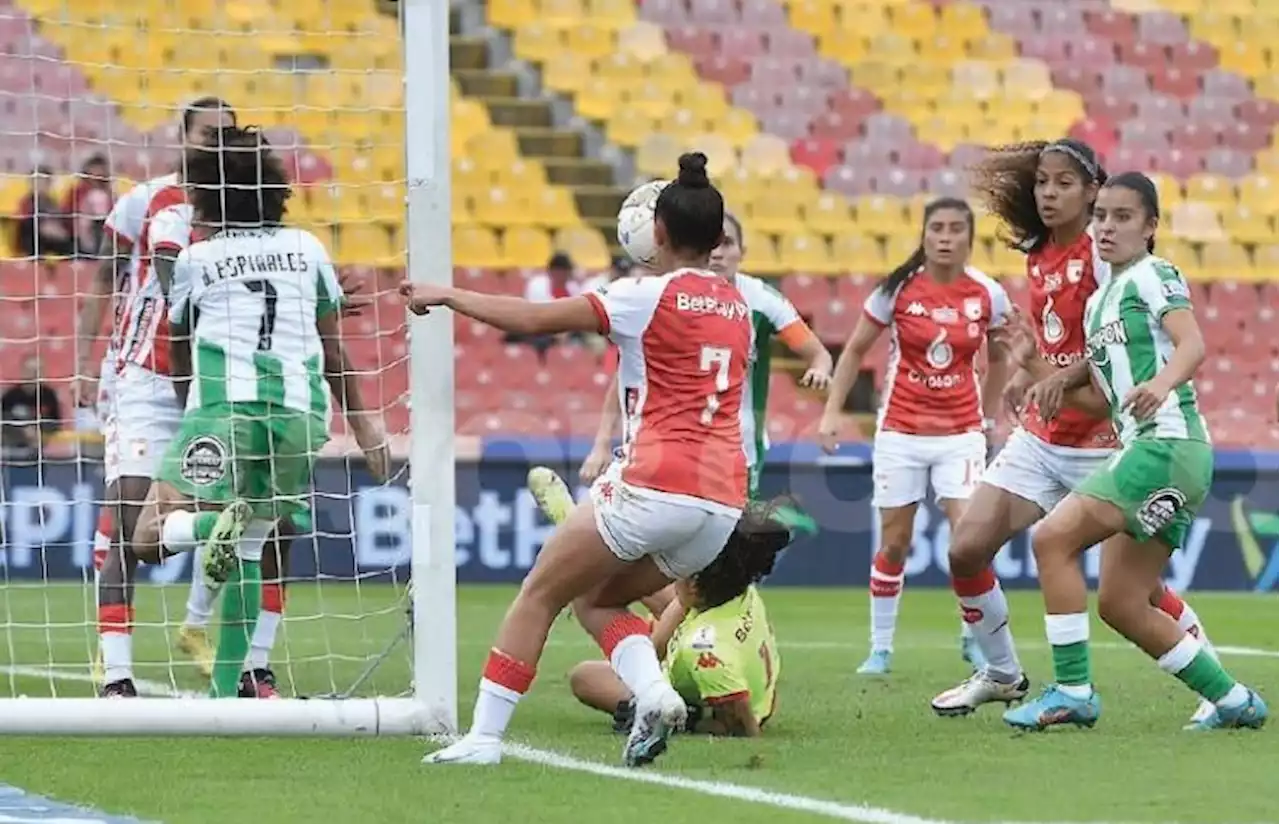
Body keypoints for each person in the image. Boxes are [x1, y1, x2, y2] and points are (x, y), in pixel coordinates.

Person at [413, 153, 751, 767]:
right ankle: (653, 695)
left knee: (539, 593)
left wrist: (447, 295)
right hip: (721, 502)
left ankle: (485, 739)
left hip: (653, 484)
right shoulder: (738, 308)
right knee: (595, 599)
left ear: (660, 234)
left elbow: (536, 318)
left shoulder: (641, 297)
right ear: (719, 238)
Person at [931, 140, 1220, 724]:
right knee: (964, 549)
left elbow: (1103, 385)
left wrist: (1041, 373)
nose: (1047, 193)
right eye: (1042, 182)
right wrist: (1024, 374)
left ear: (1093, 194)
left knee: (1132, 592)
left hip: (1108, 444)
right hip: (1043, 437)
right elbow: (1053, 347)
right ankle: (1002, 673)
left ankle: (1214, 683)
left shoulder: (1109, 260)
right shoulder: (1040, 255)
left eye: (1064, 184)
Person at [123, 125, 388, 700]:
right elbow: (332, 345)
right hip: (300, 417)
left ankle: (205, 526)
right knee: (252, 547)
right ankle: (229, 691)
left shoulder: (195, 259)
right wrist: (367, 427)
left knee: (146, 537)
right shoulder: (309, 250)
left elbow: (180, 356)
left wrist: (187, 421)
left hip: (224, 414)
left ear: (205, 198)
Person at [1004, 172, 1267, 731]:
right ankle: (1234, 701)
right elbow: (1104, 401)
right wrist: (1035, 374)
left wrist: (1164, 383)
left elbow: (1193, 343)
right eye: (1101, 215)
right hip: (1166, 451)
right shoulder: (1101, 303)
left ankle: (1073, 691)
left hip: (1165, 444)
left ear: (1150, 227)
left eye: (1123, 217)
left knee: (1052, 537)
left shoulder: (1154, 275)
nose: (1106, 227)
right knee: (1122, 601)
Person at [816, 197, 1011, 676]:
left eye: (955, 229)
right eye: (937, 228)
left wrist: (987, 419)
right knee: (896, 543)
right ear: (923, 235)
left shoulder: (988, 294)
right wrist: (831, 413)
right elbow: (856, 348)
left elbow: (1002, 358)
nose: (945, 237)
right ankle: (880, 648)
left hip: (961, 433)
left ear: (969, 239)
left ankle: (973, 637)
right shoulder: (897, 289)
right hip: (901, 431)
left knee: (968, 537)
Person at [581, 211, 833, 510]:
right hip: (667, 450)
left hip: (738, 451)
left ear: (743, 253)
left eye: (726, 244)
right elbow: (629, 371)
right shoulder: (664, 296)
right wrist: (600, 444)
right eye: (711, 245)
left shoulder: (762, 300)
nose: (717, 254)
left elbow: (817, 353)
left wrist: (819, 369)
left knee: (724, 550)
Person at [524, 468, 789, 738]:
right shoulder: (738, 587)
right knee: (631, 588)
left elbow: (743, 729)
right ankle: (576, 534)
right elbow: (658, 646)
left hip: (703, 698)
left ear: (695, 583)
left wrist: (690, 724)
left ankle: (574, 538)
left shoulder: (704, 650)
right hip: (717, 649)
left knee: (584, 678)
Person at [0, 354, 62, 458]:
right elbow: (3, 421)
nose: (34, 374)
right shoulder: (10, 396)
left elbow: (56, 422)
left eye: (38, 370)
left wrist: (40, 432)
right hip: (12, 451)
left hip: (41, 451)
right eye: (31, 370)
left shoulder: (49, 396)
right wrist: (22, 430)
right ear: (23, 371)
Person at [14, 166, 74, 258]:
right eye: (36, 181)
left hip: (53, 237)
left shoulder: (52, 202)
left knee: (73, 240)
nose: (39, 185)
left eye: (43, 182)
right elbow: (24, 222)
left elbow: (60, 222)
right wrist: (44, 226)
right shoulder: (27, 201)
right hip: (34, 238)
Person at [63, 154, 113, 258]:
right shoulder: (77, 191)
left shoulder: (109, 193)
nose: (98, 172)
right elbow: (66, 212)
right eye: (95, 168)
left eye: (101, 168)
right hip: (79, 233)